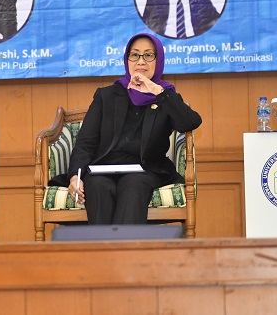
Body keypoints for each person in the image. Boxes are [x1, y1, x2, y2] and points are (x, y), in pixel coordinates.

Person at [67, 33, 202, 225]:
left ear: (158, 60)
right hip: (103, 169)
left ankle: (127, 245)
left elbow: (190, 122)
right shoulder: (106, 96)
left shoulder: (165, 97)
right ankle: (102, 245)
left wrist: (156, 90)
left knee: (134, 183)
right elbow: (86, 142)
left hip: (146, 170)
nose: (141, 61)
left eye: (148, 55)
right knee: (97, 185)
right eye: (135, 55)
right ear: (127, 59)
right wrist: (75, 176)